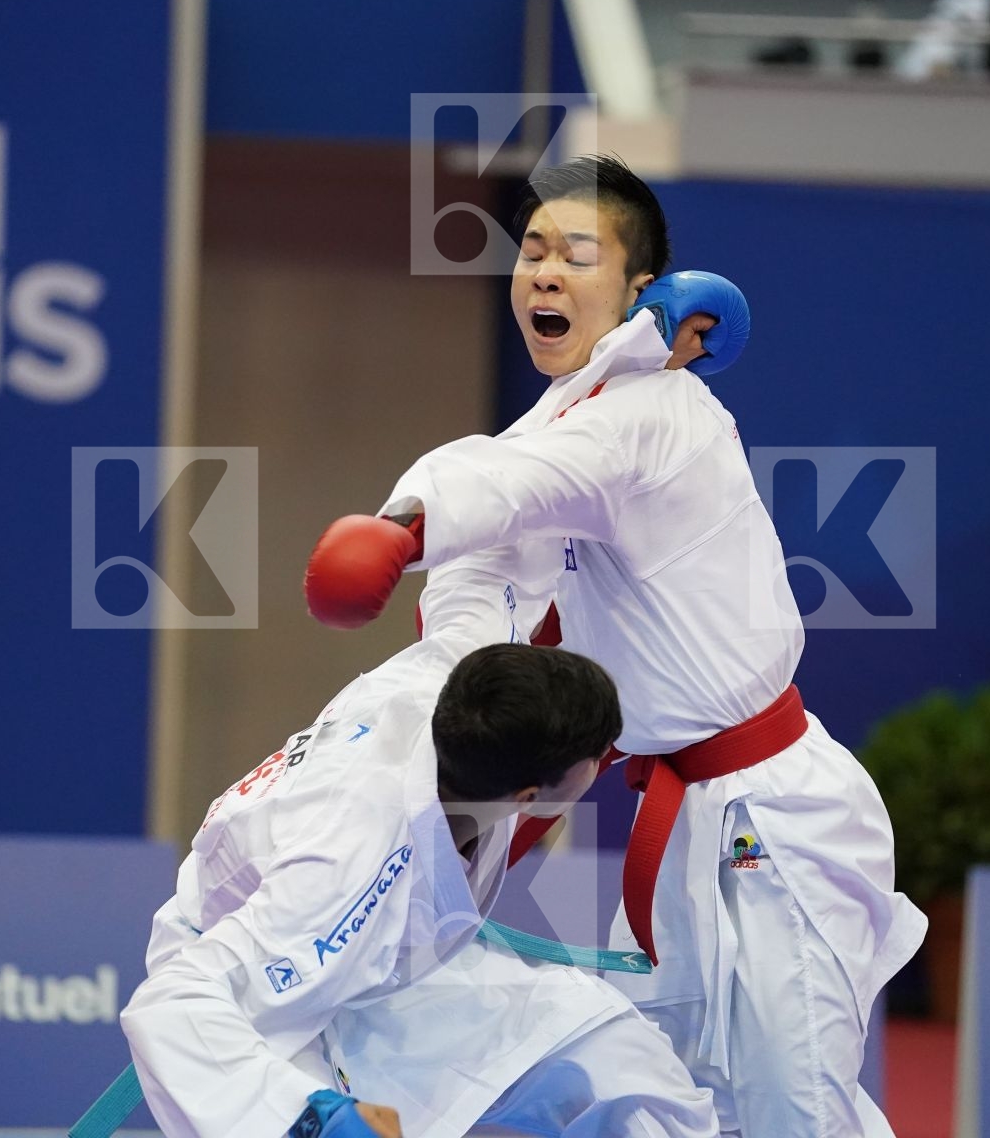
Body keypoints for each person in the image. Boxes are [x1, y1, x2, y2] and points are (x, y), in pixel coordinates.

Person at [303, 154, 926, 1138]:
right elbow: (493, 535)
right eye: (531, 252)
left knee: (791, 1114)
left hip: (772, 814)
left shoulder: (653, 412)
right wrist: (425, 629)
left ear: (640, 292)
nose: (542, 272)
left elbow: (519, 487)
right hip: (676, 822)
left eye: (575, 255)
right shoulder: (551, 428)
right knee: (685, 1108)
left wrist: (407, 534)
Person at [121, 557, 719, 1138]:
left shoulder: (459, 685)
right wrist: (307, 1122)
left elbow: (482, 572)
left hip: (394, 971)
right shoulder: (347, 863)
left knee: (620, 1062)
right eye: (597, 757)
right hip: (277, 1003)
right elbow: (171, 1002)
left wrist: (413, 527)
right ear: (533, 794)